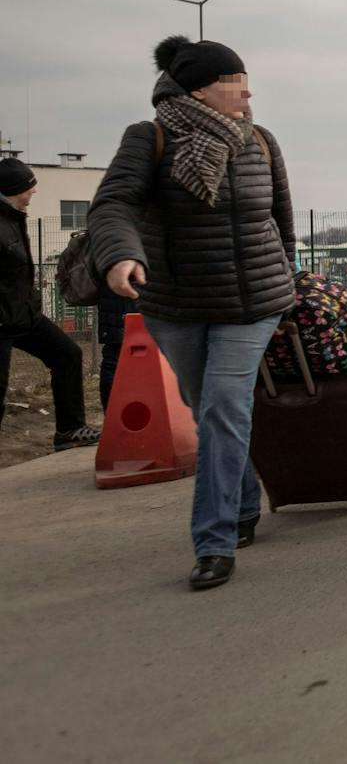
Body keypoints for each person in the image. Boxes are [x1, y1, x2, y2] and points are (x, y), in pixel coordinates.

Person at [88, 35, 295, 590]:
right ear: (203, 89)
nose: (248, 95)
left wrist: (290, 284)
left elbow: (280, 221)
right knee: (207, 407)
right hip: (176, 304)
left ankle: (214, 540)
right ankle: (244, 501)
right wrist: (121, 254)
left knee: (224, 408)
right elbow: (113, 204)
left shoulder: (261, 142)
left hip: (251, 303)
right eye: (237, 85)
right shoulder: (150, 138)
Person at [0, 158, 100, 450]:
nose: (34, 193)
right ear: (15, 188)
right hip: (2, 320)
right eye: (30, 187)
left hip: (23, 315)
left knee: (67, 354)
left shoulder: (14, 218)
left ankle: (69, 430)